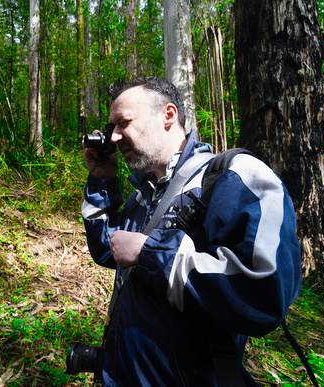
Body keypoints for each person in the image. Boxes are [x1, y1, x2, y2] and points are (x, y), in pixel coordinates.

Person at [81, 76, 302, 386]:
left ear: (168, 115)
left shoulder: (233, 178)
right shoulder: (144, 195)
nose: (114, 137)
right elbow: (108, 248)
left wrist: (150, 254)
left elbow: (265, 295)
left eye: (123, 123)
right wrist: (101, 180)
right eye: (112, 128)